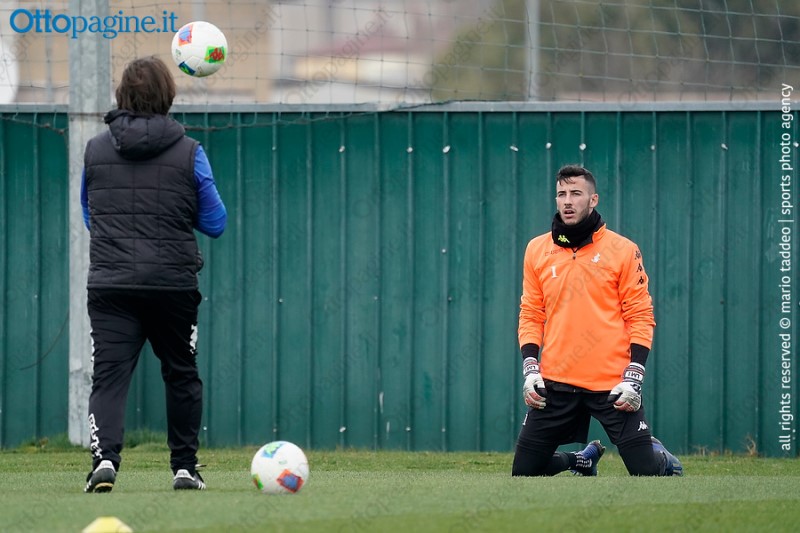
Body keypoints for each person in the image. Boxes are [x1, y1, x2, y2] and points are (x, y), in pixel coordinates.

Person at [80, 56, 227, 493]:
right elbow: (215, 222)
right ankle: (185, 468)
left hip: (110, 283)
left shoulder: (94, 149)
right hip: (172, 285)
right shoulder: (191, 152)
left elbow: (91, 215)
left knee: (108, 377)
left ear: (122, 95)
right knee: (181, 372)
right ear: (169, 95)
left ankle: (105, 459)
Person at [511, 164, 682, 477]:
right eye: (562, 193)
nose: (567, 201)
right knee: (524, 471)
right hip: (557, 382)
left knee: (645, 471)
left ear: (593, 200)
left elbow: (640, 314)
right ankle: (581, 460)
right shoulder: (536, 249)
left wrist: (634, 374)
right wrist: (530, 367)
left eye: (576, 193)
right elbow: (531, 312)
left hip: (612, 383)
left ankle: (661, 456)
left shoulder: (623, 250)